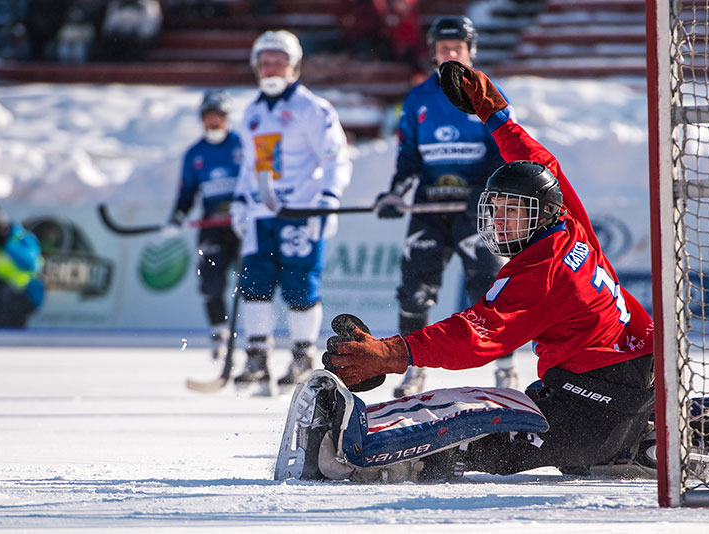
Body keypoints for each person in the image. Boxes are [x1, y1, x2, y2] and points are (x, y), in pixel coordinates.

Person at [300, 62, 656, 482]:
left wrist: (393, 353)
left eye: (512, 212)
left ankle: (365, 450)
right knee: (498, 405)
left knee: (483, 431)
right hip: (624, 373)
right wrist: (496, 115)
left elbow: (476, 334)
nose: (499, 222)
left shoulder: (543, 269)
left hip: (597, 400)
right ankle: (634, 439)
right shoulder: (566, 225)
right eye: (496, 210)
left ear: (540, 212)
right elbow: (542, 164)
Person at [374, 15, 518, 397]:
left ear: (471, 52)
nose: (450, 54)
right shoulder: (419, 97)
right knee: (413, 291)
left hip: (476, 214)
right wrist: (394, 194)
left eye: (457, 48)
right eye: (443, 49)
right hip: (429, 211)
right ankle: (413, 370)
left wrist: (487, 192)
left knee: (490, 290)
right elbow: (408, 158)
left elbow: (508, 152)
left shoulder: (488, 93)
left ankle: (505, 369)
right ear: (433, 52)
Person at [230, 30, 352, 395]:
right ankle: (256, 356)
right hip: (261, 214)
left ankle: (301, 355)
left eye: (277, 61)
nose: (270, 68)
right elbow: (248, 168)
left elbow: (335, 158)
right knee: (254, 284)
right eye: (264, 61)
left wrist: (328, 198)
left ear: (294, 65)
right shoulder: (250, 113)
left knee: (300, 285)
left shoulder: (313, 109)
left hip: (300, 210)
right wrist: (240, 201)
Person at [168, 89, 242, 361]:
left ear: (226, 118)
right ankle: (219, 333)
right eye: (208, 118)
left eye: (218, 118)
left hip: (242, 225)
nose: (213, 123)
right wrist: (177, 215)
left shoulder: (242, 145)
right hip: (212, 225)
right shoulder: (194, 154)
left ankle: (256, 344)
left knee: (254, 282)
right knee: (210, 283)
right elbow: (186, 192)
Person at [0, 204, 45, 328]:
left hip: (26, 292)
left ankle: (8, 335)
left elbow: (30, 264)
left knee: (4, 291)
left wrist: (7, 245)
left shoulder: (22, 239)